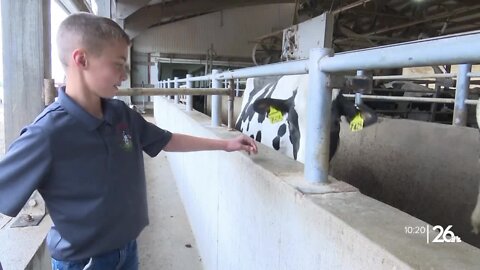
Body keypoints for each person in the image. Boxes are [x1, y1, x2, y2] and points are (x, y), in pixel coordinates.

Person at [0, 12, 257, 270]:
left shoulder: (121, 114)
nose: (124, 75)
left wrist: (225, 144)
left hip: (128, 251)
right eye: (118, 64)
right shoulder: (47, 133)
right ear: (81, 59)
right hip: (83, 262)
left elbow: (167, 140)